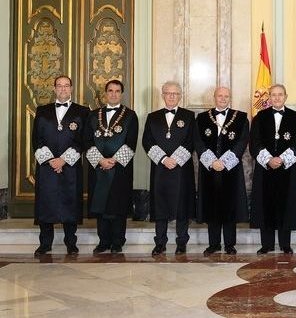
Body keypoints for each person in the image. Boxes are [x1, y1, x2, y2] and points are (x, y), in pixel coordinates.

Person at [32, 75, 90, 256]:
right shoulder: (42, 110)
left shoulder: (82, 111)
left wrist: (64, 160)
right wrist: (51, 160)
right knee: (46, 203)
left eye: (66, 86)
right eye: (59, 85)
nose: (63, 89)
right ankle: (45, 244)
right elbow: (36, 139)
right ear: (54, 88)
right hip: (46, 166)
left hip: (70, 166)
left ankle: (71, 243)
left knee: (70, 203)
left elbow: (84, 140)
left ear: (71, 88)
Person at [249, 84, 296, 255]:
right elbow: (254, 142)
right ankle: (266, 244)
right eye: (273, 95)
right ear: (269, 97)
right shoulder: (260, 117)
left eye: (280, 94)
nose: (276, 98)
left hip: (287, 169)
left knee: (286, 204)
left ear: (285, 96)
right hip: (265, 169)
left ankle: (285, 244)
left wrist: (282, 159)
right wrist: (269, 159)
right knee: (265, 204)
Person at [142, 81, 196, 256]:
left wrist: (176, 159)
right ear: (163, 95)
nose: (172, 96)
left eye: (175, 93)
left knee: (182, 205)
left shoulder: (189, 116)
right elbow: (147, 141)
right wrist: (164, 159)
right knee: (160, 206)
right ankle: (160, 243)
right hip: (160, 169)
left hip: (182, 169)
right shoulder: (152, 117)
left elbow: (191, 140)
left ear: (180, 96)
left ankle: (181, 242)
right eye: (168, 93)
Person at [195, 87, 250, 255]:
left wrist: (224, 162)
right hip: (209, 169)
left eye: (226, 96)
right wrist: (212, 162)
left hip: (231, 169)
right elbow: (198, 141)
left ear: (230, 98)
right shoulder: (202, 118)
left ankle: (229, 244)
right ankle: (214, 244)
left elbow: (242, 142)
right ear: (214, 97)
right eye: (220, 95)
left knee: (230, 206)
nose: (223, 98)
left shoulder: (241, 118)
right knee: (211, 205)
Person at [86, 79, 139, 254]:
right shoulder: (93, 115)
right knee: (100, 204)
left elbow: (131, 143)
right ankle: (103, 241)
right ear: (105, 93)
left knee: (118, 205)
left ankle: (117, 241)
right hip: (98, 167)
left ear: (121, 94)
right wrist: (100, 160)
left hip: (120, 169)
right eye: (110, 90)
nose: (114, 94)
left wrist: (113, 160)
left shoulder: (130, 115)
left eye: (117, 91)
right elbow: (87, 140)